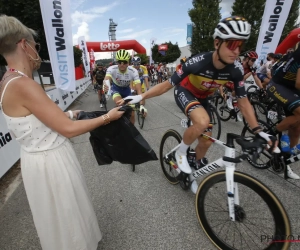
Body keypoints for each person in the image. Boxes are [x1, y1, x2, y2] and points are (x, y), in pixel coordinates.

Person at [0, 15, 124, 250]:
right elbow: (67, 130)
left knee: (58, 220)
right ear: (24, 45)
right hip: (51, 162)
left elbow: (35, 120)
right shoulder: (23, 84)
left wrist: (67, 114)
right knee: (68, 218)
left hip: (36, 160)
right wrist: (107, 117)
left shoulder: (8, 80)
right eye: (35, 46)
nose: (37, 51)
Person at [118, 16, 278, 193]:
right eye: (232, 44)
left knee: (206, 140)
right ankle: (181, 154)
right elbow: (167, 84)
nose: (236, 51)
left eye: (240, 45)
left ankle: (190, 173)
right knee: (202, 121)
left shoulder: (236, 69)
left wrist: (258, 130)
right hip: (185, 92)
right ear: (217, 43)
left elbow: (243, 100)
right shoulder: (198, 61)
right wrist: (142, 97)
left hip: (204, 98)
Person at [266, 42, 300, 179]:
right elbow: (299, 83)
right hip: (277, 85)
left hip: (291, 88)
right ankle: (269, 135)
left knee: (297, 128)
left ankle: (285, 161)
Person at [103, 49, 142, 124]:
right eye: (119, 62)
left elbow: (139, 88)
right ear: (117, 62)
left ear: (128, 63)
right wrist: (105, 88)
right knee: (120, 105)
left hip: (127, 90)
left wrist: (141, 101)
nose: (122, 64)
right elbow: (106, 80)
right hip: (116, 89)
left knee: (132, 114)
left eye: (124, 62)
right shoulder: (111, 69)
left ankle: (131, 131)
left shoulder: (133, 71)